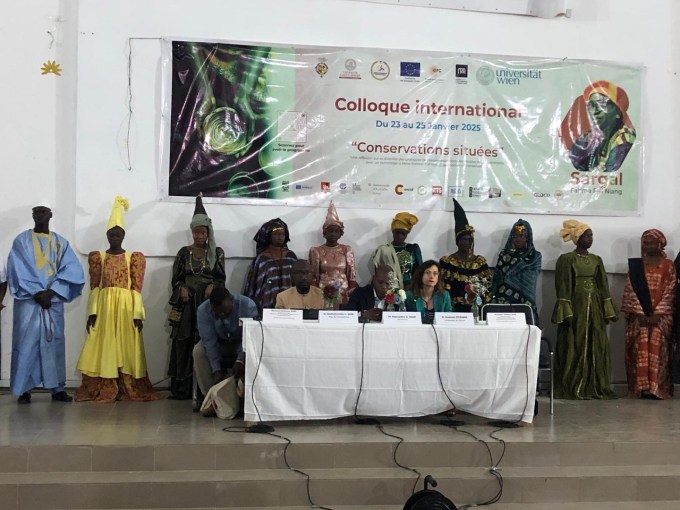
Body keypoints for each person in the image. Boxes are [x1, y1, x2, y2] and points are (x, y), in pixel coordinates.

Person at [75, 197, 161, 403]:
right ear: (107, 236)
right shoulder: (99, 258)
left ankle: (127, 384)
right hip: (105, 309)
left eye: (118, 234)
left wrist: (138, 314)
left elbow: (135, 289)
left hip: (126, 310)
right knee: (104, 344)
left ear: (123, 236)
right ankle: (105, 382)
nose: (114, 238)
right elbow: (95, 287)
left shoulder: (133, 258)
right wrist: (92, 313)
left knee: (126, 346)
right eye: (111, 234)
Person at [7, 204, 85, 403]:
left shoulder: (61, 243)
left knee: (54, 342)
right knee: (25, 343)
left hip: (52, 301)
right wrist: (37, 293)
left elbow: (72, 270)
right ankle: (24, 389)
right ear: (32, 215)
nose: (39, 215)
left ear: (50, 215)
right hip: (29, 302)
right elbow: (17, 268)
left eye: (43, 212)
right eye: (36, 212)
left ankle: (57, 388)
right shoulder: (21, 241)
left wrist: (51, 292)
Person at [167, 194, 225, 400]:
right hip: (187, 302)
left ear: (208, 233)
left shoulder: (217, 253)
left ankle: (203, 388)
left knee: (204, 340)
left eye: (202, 232)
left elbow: (221, 278)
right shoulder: (184, 253)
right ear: (191, 232)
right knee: (183, 340)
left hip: (207, 303)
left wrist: (212, 286)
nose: (199, 236)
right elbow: (176, 279)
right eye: (196, 232)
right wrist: (182, 287)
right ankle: (182, 388)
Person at [552, 220, 618, 400]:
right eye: (587, 236)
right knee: (576, 341)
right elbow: (563, 286)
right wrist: (566, 310)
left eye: (591, 236)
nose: (590, 239)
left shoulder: (597, 260)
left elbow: (602, 285)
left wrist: (606, 308)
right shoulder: (567, 259)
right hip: (577, 306)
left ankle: (594, 385)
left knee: (595, 342)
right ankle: (574, 384)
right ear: (578, 238)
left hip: (594, 306)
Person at [621, 229, 676, 400]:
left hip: (661, 318)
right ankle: (640, 388)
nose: (648, 246)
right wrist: (640, 313)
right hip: (640, 317)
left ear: (661, 244)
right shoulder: (636, 266)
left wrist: (658, 314)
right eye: (645, 243)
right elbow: (630, 290)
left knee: (658, 350)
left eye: (652, 242)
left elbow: (671, 290)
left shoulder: (669, 265)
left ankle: (657, 388)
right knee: (640, 349)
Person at [192, 286, 259, 396]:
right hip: (220, 343)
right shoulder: (203, 311)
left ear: (232, 300)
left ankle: (246, 395)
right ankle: (210, 396)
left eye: (226, 312)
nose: (222, 315)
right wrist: (216, 369)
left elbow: (250, 337)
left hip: (242, 343)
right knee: (198, 352)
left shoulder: (247, 306)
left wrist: (240, 360)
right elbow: (209, 341)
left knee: (256, 349)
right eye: (217, 313)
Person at [561, 80, 636, 173]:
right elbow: (572, 166)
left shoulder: (626, 137)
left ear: (618, 111)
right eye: (591, 105)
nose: (595, 111)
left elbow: (611, 172)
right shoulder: (586, 138)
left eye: (601, 104)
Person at [439, 199, 492, 312]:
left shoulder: (480, 263)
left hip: (476, 309)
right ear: (457, 241)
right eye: (463, 239)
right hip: (453, 310)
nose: (467, 242)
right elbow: (442, 288)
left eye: (469, 240)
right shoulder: (447, 263)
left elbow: (487, 288)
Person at [491, 219, 542, 325]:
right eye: (515, 236)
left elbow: (531, 278)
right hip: (504, 300)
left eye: (521, 236)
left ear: (527, 237)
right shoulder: (504, 255)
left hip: (525, 299)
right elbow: (497, 279)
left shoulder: (535, 256)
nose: (517, 239)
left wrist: (511, 276)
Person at [309, 201, 358, 303]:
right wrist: (318, 295)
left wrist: (348, 294)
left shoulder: (346, 250)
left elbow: (352, 278)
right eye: (330, 231)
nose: (333, 234)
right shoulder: (316, 251)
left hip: (344, 294)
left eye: (336, 231)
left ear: (340, 233)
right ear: (325, 233)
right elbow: (313, 278)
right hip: (322, 295)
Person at [243, 218, 297, 310]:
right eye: (276, 234)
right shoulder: (261, 259)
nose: (280, 237)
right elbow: (253, 285)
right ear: (269, 236)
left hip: (289, 304)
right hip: (267, 304)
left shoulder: (291, 257)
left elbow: (297, 281)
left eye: (282, 234)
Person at [370, 212, 423, 288]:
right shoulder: (383, 250)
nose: (400, 236)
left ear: (407, 234)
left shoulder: (413, 249)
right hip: (389, 290)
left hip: (410, 289)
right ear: (393, 232)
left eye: (403, 233)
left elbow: (420, 272)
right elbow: (378, 274)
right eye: (398, 233)